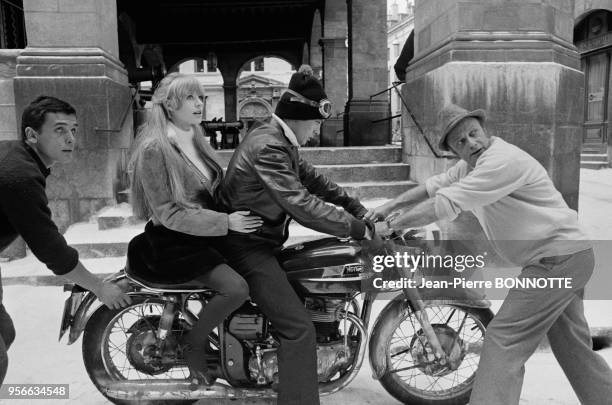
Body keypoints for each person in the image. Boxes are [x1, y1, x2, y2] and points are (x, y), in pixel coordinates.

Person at [366, 103, 612, 405]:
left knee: (502, 340)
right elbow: (433, 188)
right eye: (461, 142)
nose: (470, 143)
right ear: (454, 151)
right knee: (574, 348)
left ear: (485, 130)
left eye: (473, 133)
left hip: (557, 261)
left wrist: (391, 225)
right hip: (568, 257)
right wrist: (387, 208)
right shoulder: (470, 165)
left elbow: (444, 204)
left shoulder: (501, 161)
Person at [219, 65, 373, 405]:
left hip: (261, 241)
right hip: (246, 247)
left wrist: (357, 208)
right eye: (315, 123)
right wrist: (355, 227)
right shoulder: (269, 146)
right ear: (299, 118)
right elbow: (300, 203)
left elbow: (315, 182)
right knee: (298, 328)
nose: (316, 132)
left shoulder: (279, 140)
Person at [128, 73, 261, 386]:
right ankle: (193, 344)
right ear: (170, 104)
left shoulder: (195, 139)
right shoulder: (154, 149)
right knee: (236, 288)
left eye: (201, 97)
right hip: (175, 244)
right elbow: (168, 214)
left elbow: (214, 191)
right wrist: (225, 222)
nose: (199, 103)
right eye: (190, 97)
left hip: (204, 235)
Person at [0, 96, 132, 384]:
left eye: (73, 129)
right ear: (31, 135)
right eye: (59, 129)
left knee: (5, 333)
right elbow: (51, 250)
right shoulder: (19, 176)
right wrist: (99, 287)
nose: (70, 137)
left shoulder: (22, 161)